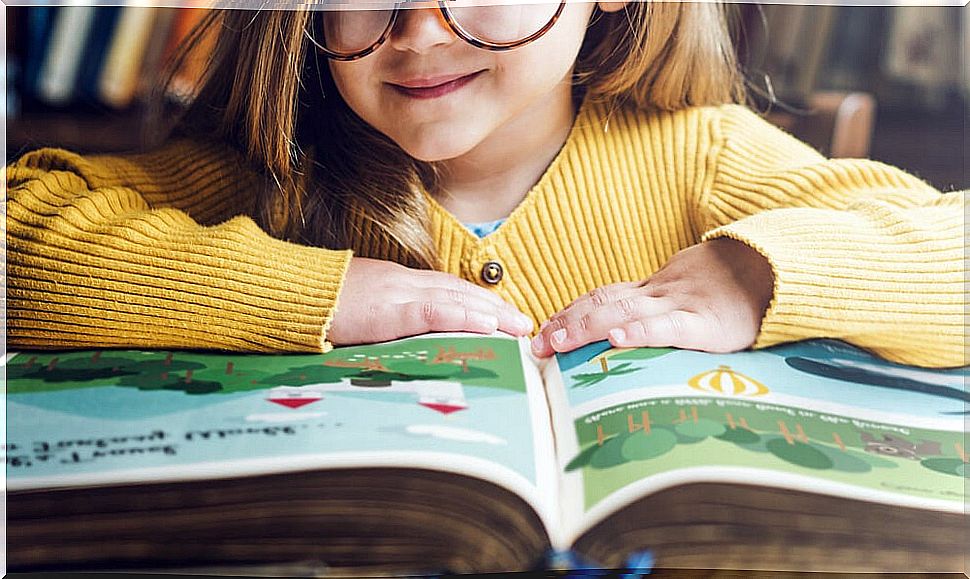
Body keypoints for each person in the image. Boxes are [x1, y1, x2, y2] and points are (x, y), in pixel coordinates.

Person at [7, 1, 965, 368]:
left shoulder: (701, 154)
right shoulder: (278, 173)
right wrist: (315, 292)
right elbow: (19, 229)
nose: (420, 29)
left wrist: (750, 277)